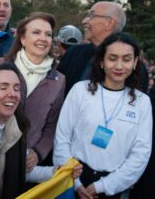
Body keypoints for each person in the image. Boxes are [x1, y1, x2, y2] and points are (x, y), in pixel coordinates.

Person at [53, 32, 152, 198]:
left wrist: (102, 186)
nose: (119, 66)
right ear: (101, 61)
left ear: (135, 62)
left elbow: (140, 154)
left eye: (126, 59)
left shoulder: (142, 102)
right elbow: (62, 139)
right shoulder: (80, 91)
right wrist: (75, 182)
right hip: (72, 179)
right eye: (112, 58)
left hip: (113, 187)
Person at [0, 63, 82, 199]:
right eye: (3, 87)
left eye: (17, 88)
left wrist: (60, 171)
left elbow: (24, 171)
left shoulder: (17, 131)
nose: (13, 94)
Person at [0, 12, 65, 168]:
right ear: (22, 39)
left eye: (48, 34)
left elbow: (52, 126)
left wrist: (38, 152)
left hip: (23, 163)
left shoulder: (58, 80)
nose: (43, 38)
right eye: (36, 32)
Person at [58, 1, 148, 95]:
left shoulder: (136, 69)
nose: (84, 21)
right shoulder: (74, 53)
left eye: (91, 15)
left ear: (110, 23)